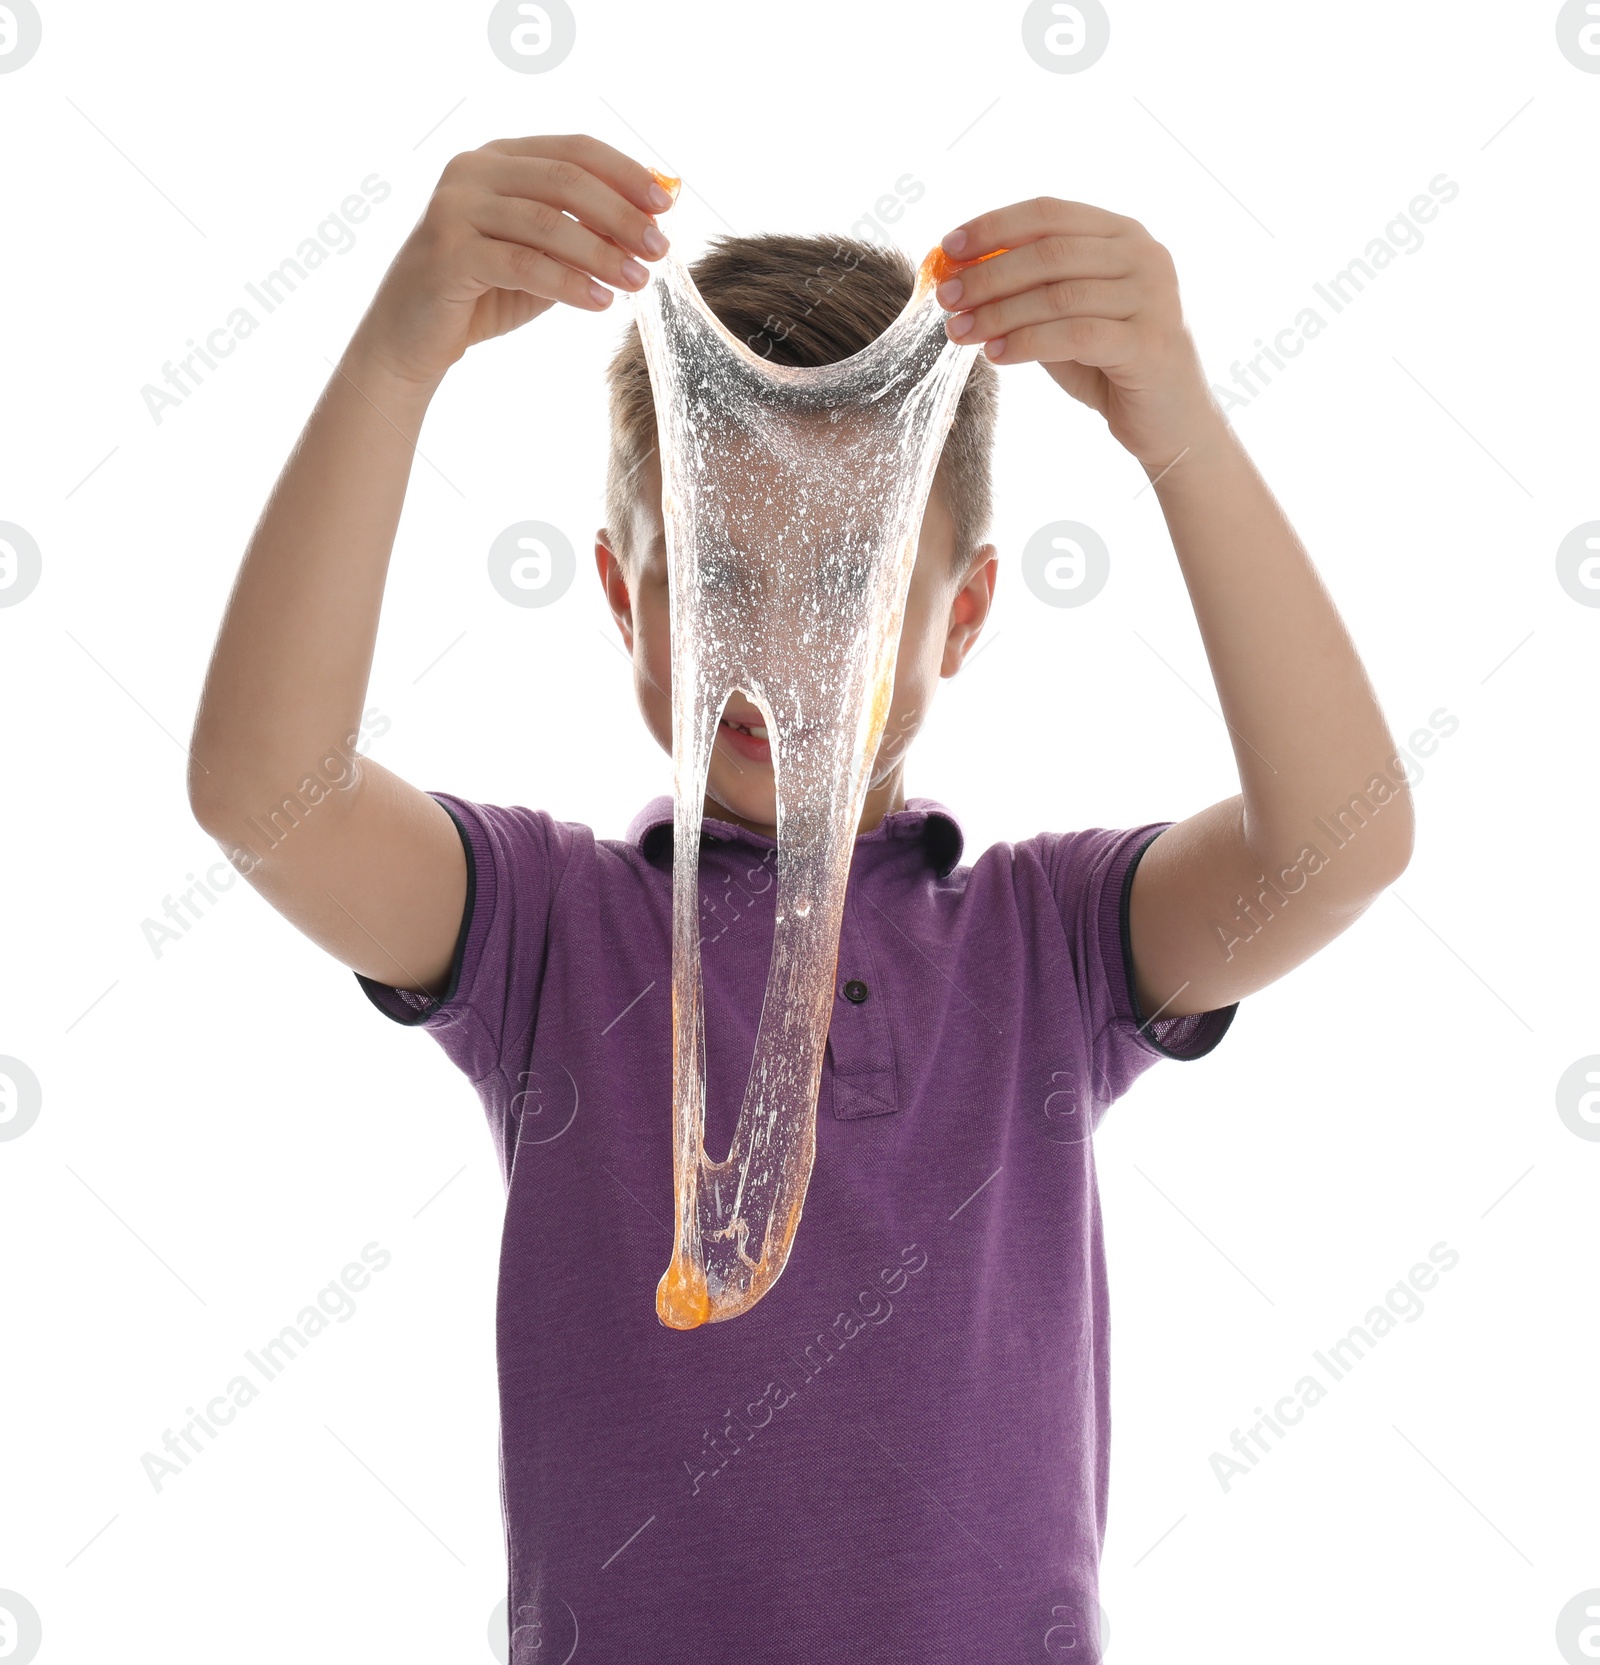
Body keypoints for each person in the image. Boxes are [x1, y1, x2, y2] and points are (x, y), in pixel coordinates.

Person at [187, 134, 1414, 1661]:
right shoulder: (550, 931)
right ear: (623, 595)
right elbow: (264, 794)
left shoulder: (1047, 946)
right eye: (713, 574)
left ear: (959, 614)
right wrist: (394, 358)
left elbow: (1340, 845)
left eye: (845, 580)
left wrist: (1183, 434)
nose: (770, 646)